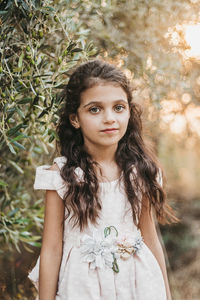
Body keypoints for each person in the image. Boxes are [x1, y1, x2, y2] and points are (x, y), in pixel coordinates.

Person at [28, 59, 177, 300]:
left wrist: (167, 296)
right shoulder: (63, 176)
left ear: (129, 111)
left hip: (138, 283)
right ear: (75, 118)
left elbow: (150, 237)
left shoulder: (140, 172)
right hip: (83, 286)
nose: (109, 118)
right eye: (95, 109)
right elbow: (52, 249)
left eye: (119, 107)